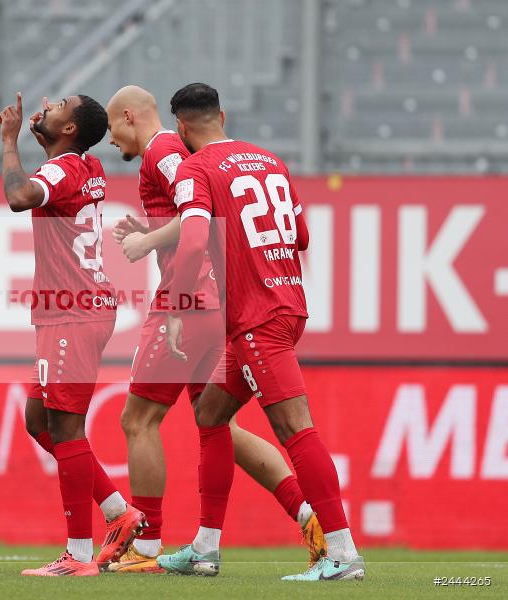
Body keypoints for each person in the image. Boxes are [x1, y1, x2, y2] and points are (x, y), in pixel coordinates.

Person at [104, 85, 325, 573]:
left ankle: (146, 548)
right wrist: (151, 234)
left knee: (138, 420)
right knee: (217, 420)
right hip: (219, 303)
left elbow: (196, 218)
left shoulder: (163, 151)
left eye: (112, 127)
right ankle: (305, 513)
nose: (110, 138)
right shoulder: (182, 152)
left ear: (129, 116)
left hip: (190, 296)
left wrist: (149, 245)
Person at [157, 83, 364, 581]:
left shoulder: (194, 169)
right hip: (286, 307)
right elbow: (301, 236)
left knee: (295, 428)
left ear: (181, 128)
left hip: (256, 320)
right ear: (222, 115)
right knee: (210, 414)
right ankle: (205, 549)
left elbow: (191, 242)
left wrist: (177, 307)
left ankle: (342, 554)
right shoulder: (271, 161)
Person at [0, 92, 145, 576]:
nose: (47, 105)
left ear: (70, 130)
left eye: (59, 105)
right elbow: (54, 175)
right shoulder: (85, 166)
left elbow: (20, 197)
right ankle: (118, 511)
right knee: (38, 421)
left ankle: (78, 555)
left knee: (65, 428)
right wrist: (43, 136)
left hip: (72, 312)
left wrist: (9, 141)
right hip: (75, 309)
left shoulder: (62, 171)